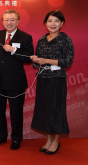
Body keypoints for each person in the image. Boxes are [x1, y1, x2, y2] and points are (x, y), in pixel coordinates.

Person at [0, 10, 34, 150]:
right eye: (6, 20)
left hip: (16, 82)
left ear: (18, 21)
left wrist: (14, 50)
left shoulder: (25, 37)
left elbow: (29, 58)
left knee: (16, 112)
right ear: (2, 22)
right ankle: (1, 136)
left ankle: (16, 139)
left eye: (12, 19)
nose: (9, 22)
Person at [30, 10, 74, 155]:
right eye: (50, 21)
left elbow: (67, 61)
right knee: (44, 110)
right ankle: (48, 139)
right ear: (45, 23)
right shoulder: (42, 39)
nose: (52, 24)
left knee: (56, 111)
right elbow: (37, 64)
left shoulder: (65, 39)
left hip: (57, 80)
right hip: (43, 79)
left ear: (62, 23)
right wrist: (35, 60)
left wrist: (46, 61)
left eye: (56, 21)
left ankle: (56, 140)